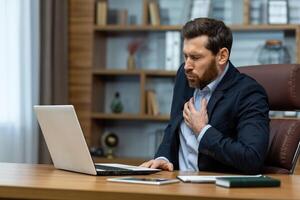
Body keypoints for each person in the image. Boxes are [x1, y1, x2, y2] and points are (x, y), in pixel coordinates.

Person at [141, 18, 270, 174]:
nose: (187, 66)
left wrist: (202, 130)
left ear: (222, 56)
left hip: (215, 191)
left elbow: (251, 158)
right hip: (175, 182)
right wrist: (163, 158)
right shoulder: (185, 75)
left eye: (195, 58)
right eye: (185, 56)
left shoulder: (248, 93)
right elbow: (173, 127)